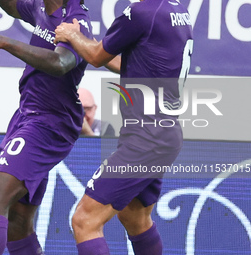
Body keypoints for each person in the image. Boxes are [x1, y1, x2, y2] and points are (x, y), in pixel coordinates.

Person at [54, 0, 193, 254]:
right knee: (134, 217)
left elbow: (96, 56)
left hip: (145, 139)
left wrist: (73, 36)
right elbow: (130, 67)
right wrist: (89, 44)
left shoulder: (142, 12)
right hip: (164, 134)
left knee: (84, 220)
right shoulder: (178, 11)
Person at [0, 0, 92, 254]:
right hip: (28, 115)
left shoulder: (77, 21)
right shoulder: (42, 7)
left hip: (49, 122)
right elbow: (11, 6)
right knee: (17, 222)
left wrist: (4, 41)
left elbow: (60, 63)